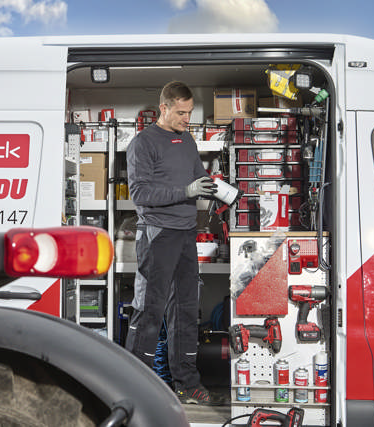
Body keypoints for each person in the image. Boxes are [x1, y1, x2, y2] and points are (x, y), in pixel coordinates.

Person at [124, 80, 221, 405]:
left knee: (185, 310)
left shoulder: (187, 140)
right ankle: (135, 387)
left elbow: (197, 177)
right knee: (149, 311)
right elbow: (140, 193)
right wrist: (186, 192)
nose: (186, 119)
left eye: (189, 112)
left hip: (185, 234)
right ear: (163, 108)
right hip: (157, 234)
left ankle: (187, 384)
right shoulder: (143, 143)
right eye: (181, 113)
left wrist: (214, 187)